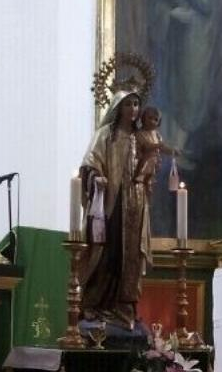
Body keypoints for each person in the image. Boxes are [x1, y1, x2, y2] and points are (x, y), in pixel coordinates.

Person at [79, 89, 151, 330]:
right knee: (106, 253)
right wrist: (96, 177)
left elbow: (149, 166)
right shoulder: (105, 135)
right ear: (118, 107)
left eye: (136, 104)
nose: (134, 109)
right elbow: (89, 164)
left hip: (135, 204)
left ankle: (124, 306)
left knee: (129, 255)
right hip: (110, 202)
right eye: (128, 104)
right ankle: (95, 304)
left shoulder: (139, 137)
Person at [135, 106, 179, 193]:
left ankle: (148, 182)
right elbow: (146, 146)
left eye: (156, 120)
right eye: (150, 118)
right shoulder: (140, 133)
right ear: (143, 118)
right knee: (149, 163)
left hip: (155, 163)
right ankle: (142, 178)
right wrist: (158, 145)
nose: (152, 121)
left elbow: (163, 148)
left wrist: (172, 151)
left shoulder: (157, 135)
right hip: (143, 161)